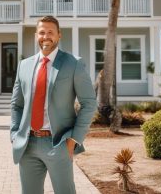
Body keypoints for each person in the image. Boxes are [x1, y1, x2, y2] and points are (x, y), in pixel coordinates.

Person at [10, 16, 97, 194]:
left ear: (59, 36)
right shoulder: (24, 66)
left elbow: (89, 103)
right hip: (27, 145)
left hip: (58, 144)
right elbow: (17, 105)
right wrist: (14, 133)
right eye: (42, 32)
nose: (46, 36)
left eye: (51, 32)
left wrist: (74, 140)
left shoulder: (73, 63)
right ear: (36, 36)